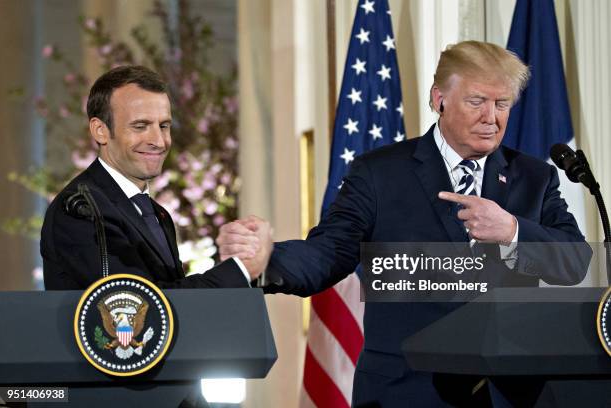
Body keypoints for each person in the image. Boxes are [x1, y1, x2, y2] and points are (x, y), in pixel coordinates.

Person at [217, 41, 591, 407]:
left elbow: (574, 262)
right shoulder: (379, 173)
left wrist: (512, 230)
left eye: (502, 104)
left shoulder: (535, 177)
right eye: (477, 101)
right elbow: (329, 251)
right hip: (407, 389)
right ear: (438, 98)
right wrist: (266, 261)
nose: (491, 118)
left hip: (509, 394)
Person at [41, 65, 263, 290]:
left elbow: (169, 296)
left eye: (164, 126)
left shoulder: (158, 213)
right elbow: (136, 306)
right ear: (100, 130)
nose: (159, 141)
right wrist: (240, 271)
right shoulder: (80, 210)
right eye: (140, 126)